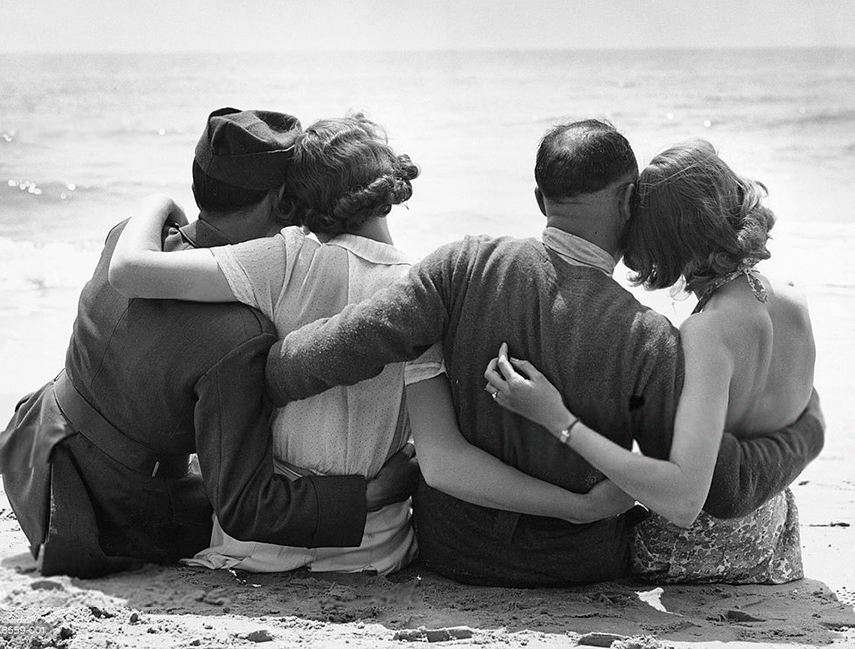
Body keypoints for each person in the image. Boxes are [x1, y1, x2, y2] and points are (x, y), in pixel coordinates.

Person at [255, 119, 825, 587]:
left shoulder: (463, 265)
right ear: (629, 202)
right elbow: (682, 485)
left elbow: (351, 341)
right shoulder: (652, 336)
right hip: (578, 566)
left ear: (538, 198)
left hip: (455, 553)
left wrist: (264, 373)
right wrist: (806, 433)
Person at [0, 107, 415, 578]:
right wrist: (371, 496)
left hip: (30, 450)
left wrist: (156, 202)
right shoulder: (239, 334)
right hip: (92, 522)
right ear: (284, 204)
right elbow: (247, 507)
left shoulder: (129, 237)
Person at [485, 139, 814, 584]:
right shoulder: (792, 299)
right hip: (773, 528)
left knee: (569, 539)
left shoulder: (707, 331)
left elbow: (683, 503)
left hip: (708, 548)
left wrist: (557, 418)